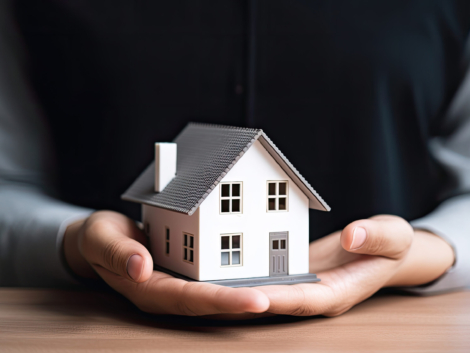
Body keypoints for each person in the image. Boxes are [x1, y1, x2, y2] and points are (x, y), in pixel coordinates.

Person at [1, 0, 469, 317]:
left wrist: (429, 248)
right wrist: (72, 241)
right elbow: (8, 183)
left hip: (393, 329)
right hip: (96, 324)